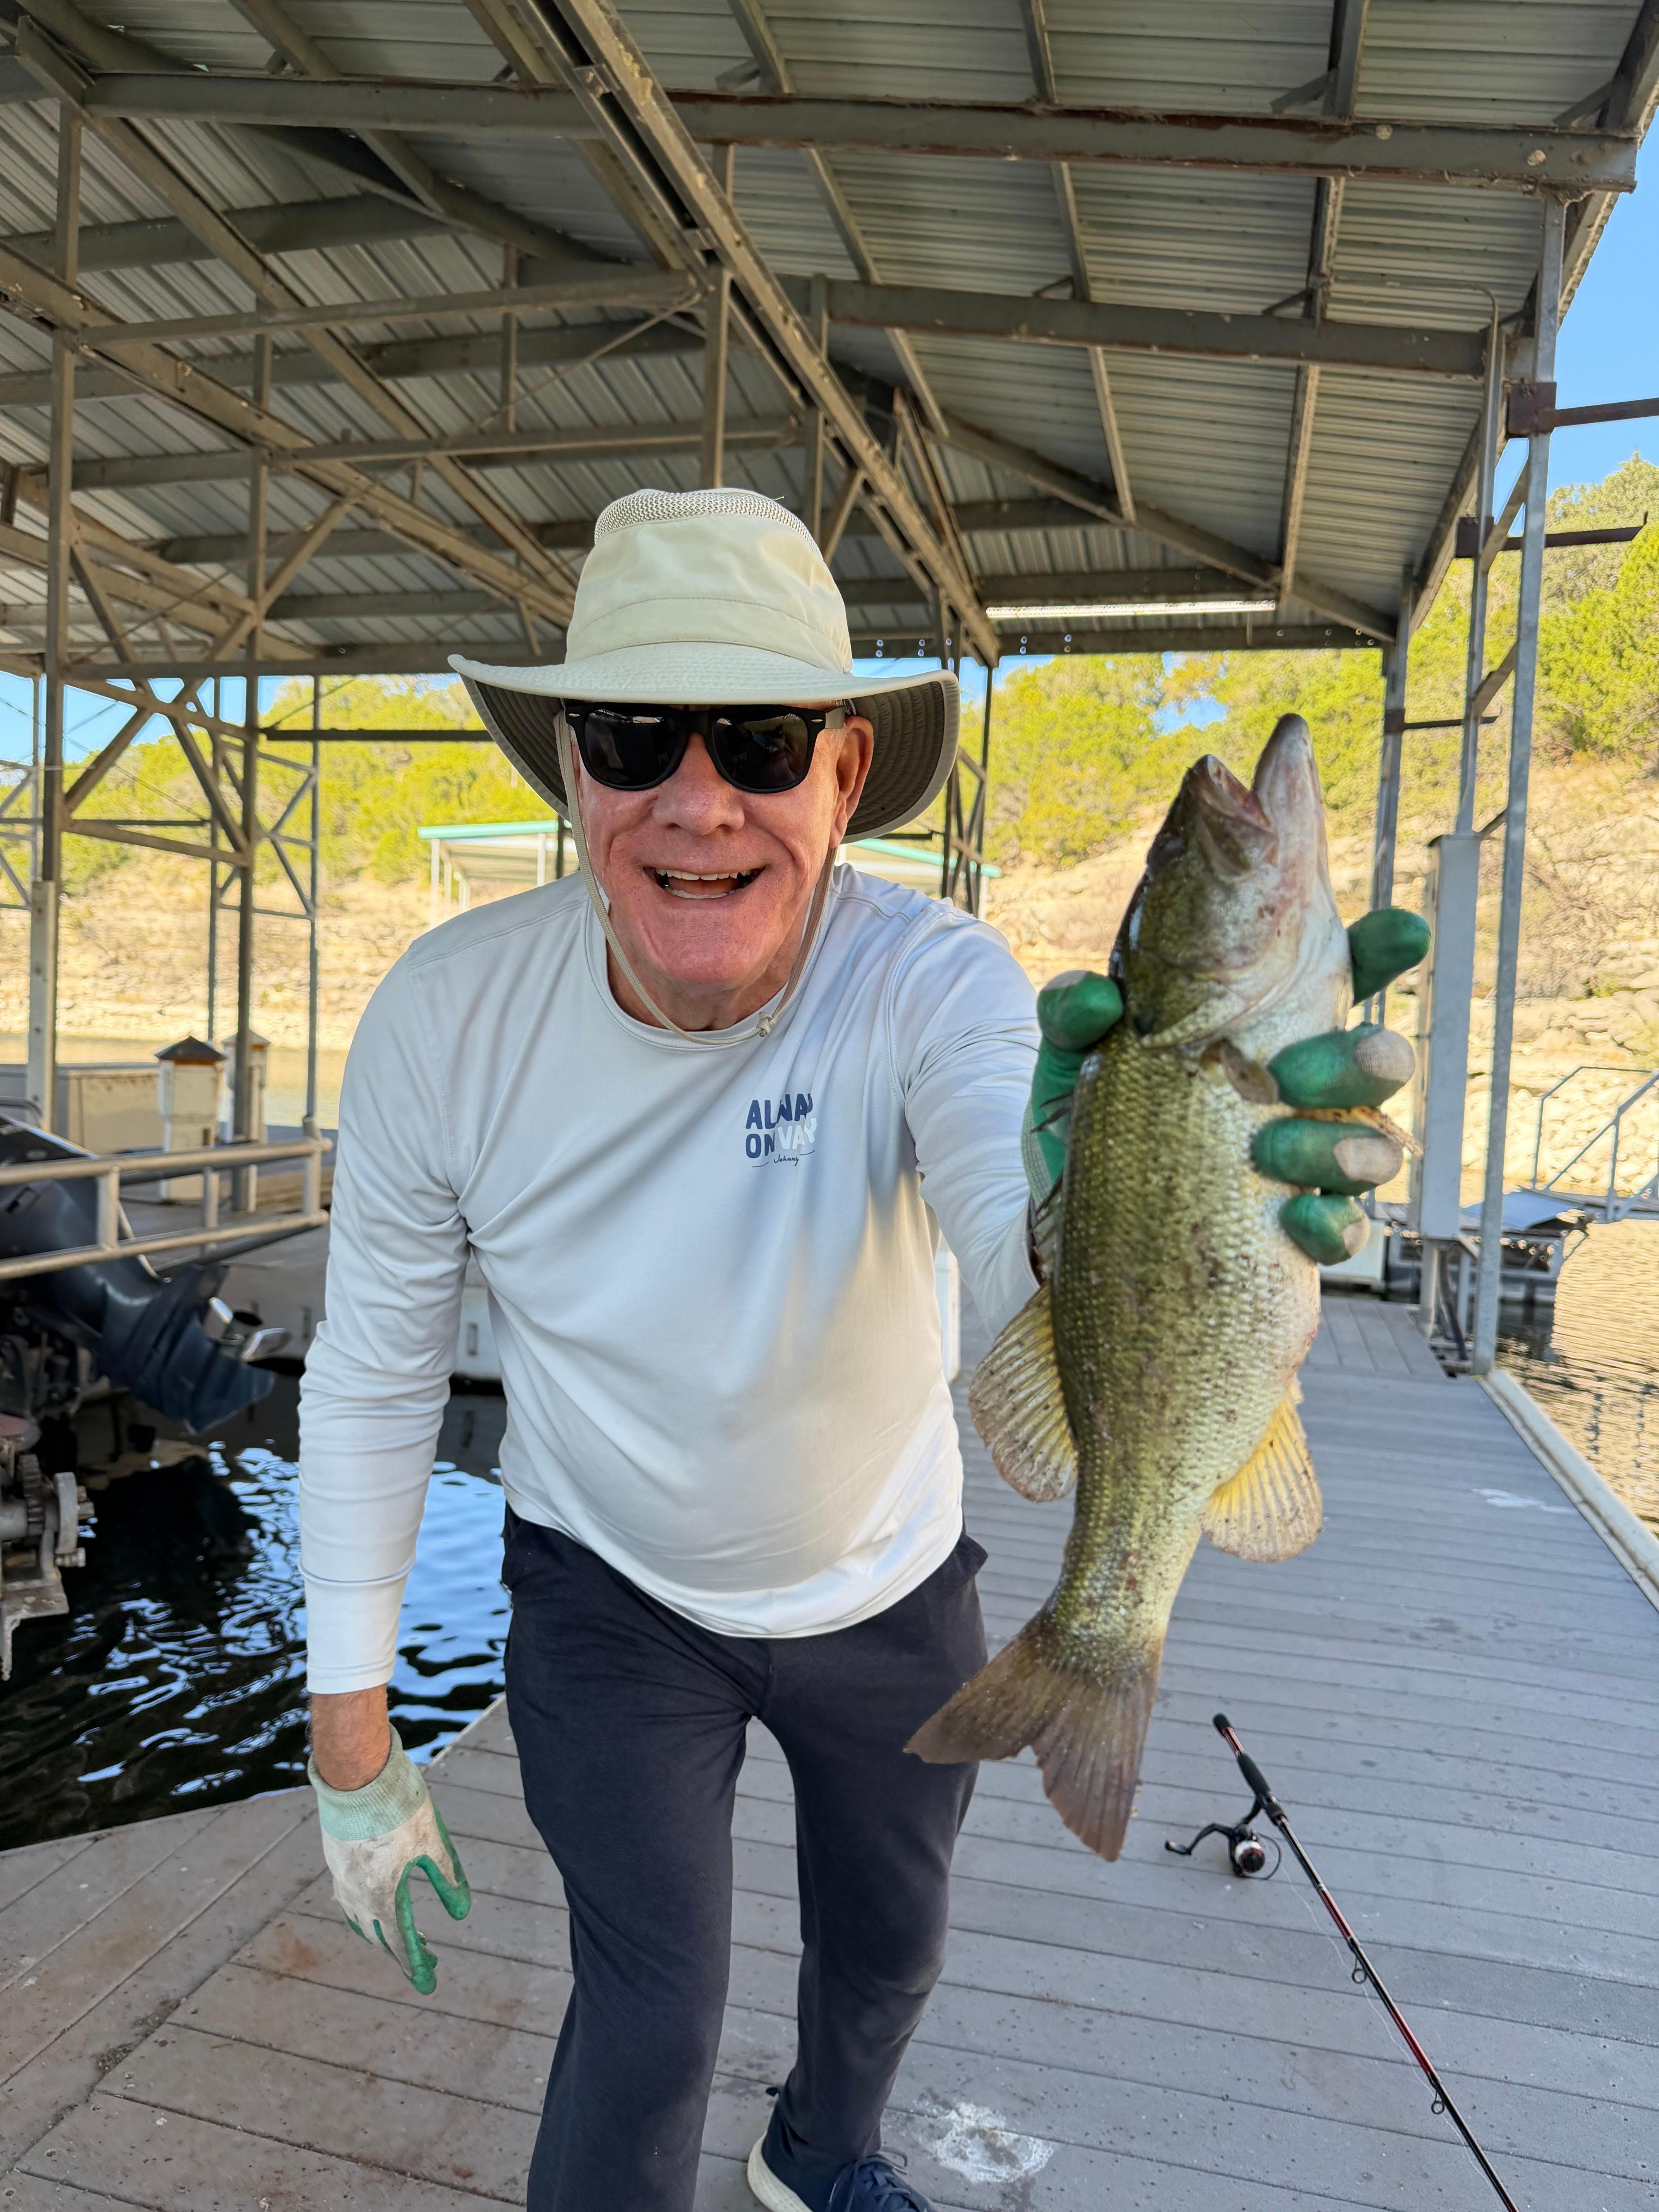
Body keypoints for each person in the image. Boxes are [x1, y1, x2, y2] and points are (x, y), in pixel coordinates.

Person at [297, 487, 1424, 2212]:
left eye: (756, 741)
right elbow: (376, 1375)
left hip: (889, 1579)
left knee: (892, 1949)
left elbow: (1002, 1205)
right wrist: (350, 1730)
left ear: (840, 776)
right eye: (633, 738)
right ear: (571, 773)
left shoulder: (934, 981)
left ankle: (816, 2158)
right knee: (650, 2023)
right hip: (607, 1593)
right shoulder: (443, 1018)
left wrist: (1105, 1207)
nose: (696, 800)